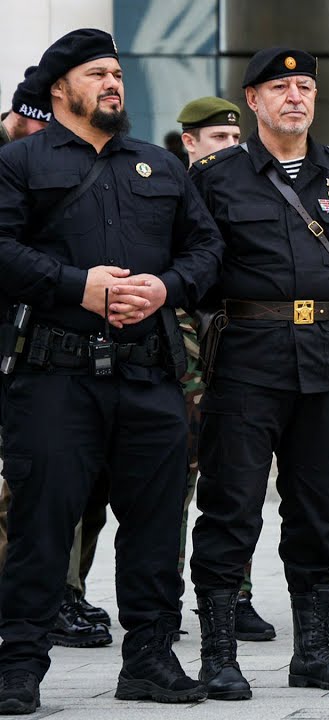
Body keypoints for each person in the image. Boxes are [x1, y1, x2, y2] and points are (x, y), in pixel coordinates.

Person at [0, 28, 223, 713]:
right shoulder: (21, 163)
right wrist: (77, 286)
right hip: (54, 377)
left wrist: (167, 287)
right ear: (61, 87)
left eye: (118, 74)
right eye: (98, 73)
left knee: (156, 526)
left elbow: (208, 247)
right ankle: (17, 666)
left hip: (150, 375)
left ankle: (151, 660)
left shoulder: (158, 164)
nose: (113, 83)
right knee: (43, 524)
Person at [187, 47, 329, 698]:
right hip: (245, 362)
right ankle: (219, 654)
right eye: (280, 87)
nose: (295, 97)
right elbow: (194, 271)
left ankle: (314, 652)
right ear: (253, 100)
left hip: (324, 367)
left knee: (317, 509)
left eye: (304, 86)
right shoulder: (217, 177)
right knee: (231, 508)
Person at [0, 63, 116, 652]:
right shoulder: (13, 167)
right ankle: (29, 602)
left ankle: (63, 593)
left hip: (44, 348)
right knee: (27, 492)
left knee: (76, 486)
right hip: (18, 347)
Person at [171, 96, 276, 644]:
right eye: (219, 140)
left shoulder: (248, 188)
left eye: (237, 141)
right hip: (183, 354)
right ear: (189, 142)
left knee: (237, 481)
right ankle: (165, 593)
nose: (231, 149)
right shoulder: (173, 193)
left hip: (237, 349)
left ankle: (235, 593)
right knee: (173, 483)